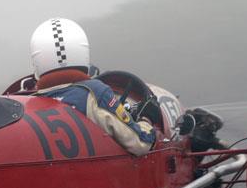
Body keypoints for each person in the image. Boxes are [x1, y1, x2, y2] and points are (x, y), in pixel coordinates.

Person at [30, 18, 156, 156]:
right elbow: (141, 143)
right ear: (82, 51)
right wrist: (146, 120)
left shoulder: (27, 105)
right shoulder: (95, 94)